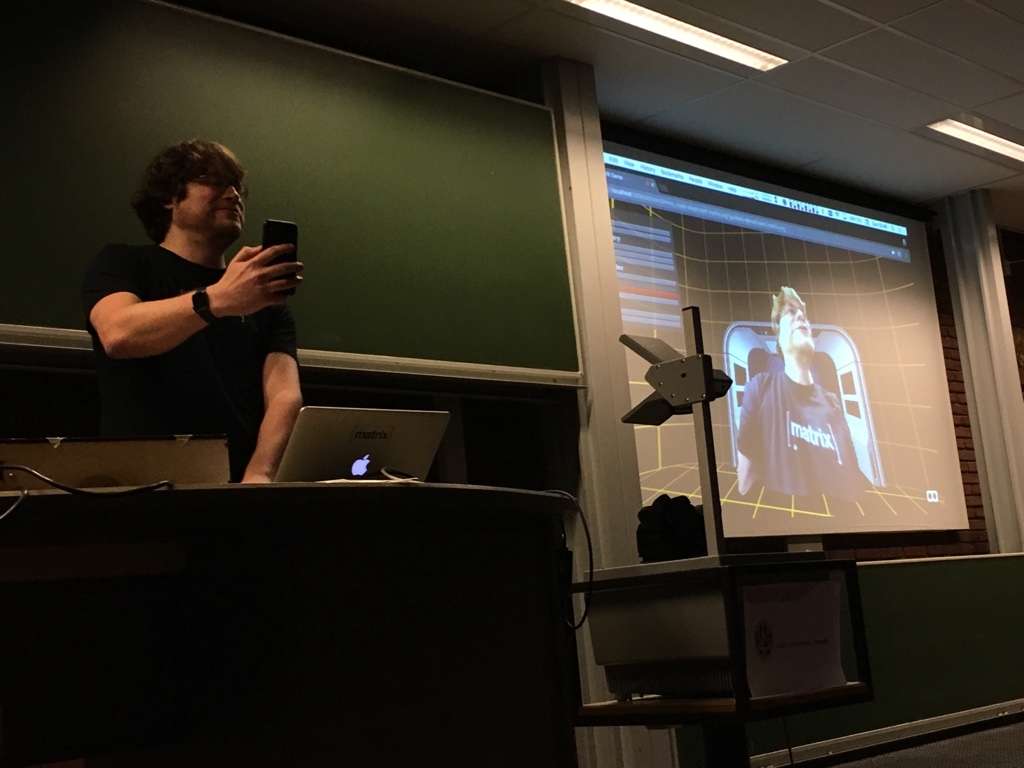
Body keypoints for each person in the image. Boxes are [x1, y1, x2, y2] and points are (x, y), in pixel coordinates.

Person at [82, 139, 304, 483]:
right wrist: (218, 299)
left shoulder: (262, 297)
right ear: (169, 198)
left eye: (236, 186)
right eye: (213, 181)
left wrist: (259, 475)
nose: (233, 195)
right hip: (140, 486)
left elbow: (285, 396)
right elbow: (119, 334)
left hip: (233, 486)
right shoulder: (123, 263)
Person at [736, 286, 867, 501]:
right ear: (779, 339)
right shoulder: (760, 388)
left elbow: (852, 478)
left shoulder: (832, 403)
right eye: (790, 311)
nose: (800, 316)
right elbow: (746, 479)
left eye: (803, 314)